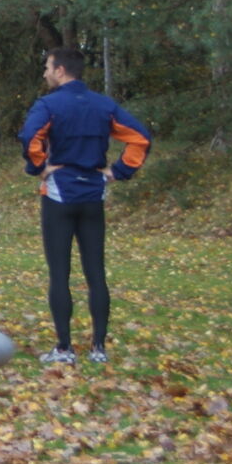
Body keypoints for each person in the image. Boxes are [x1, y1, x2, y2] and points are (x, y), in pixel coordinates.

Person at [18, 46, 151, 365]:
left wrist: (39, 167)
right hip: (93, 193)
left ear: (61, 70)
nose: (45, 73)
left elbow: (29, 136)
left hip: (59, 194)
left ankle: (64, 348)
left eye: (48, 67)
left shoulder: (48, 104)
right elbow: (140, 138)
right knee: (96, 272)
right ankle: (98, 348)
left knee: (59, 273)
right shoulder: (104, 105)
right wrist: (118, 171)